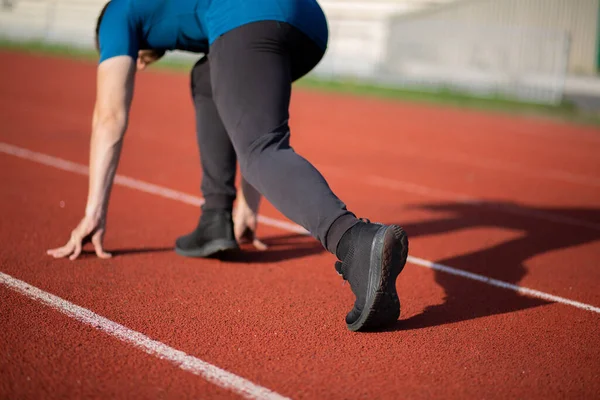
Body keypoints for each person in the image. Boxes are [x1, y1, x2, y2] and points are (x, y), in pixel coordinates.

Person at [46, 0, 409, 332]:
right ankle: (215, 220)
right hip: (306, 20)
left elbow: (109, 115)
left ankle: (355, 241)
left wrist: (94, 212)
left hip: (248, 16)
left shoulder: (116, 15)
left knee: (261, 149)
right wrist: (248, 209)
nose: (139, 62)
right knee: (208, 78)